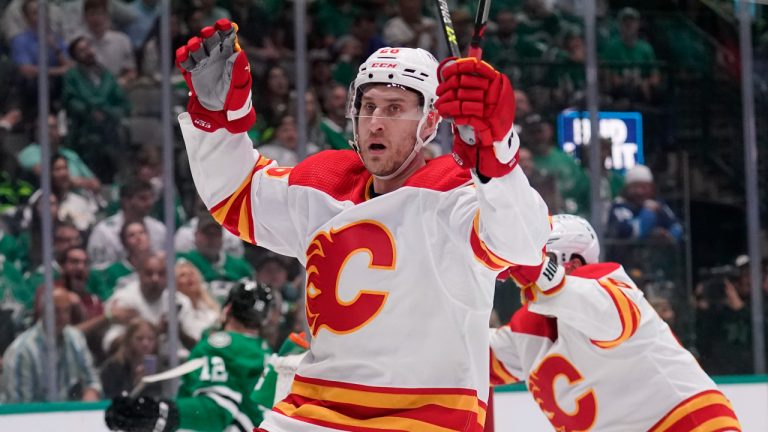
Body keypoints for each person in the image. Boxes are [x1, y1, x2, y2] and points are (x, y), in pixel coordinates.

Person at [175, 19, 549, 431]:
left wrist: (496, 157)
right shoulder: (326, 183)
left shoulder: (457, 193)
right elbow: (238, 197)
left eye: (394, 109)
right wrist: (217, 119)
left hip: (425, 420)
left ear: (429, 122)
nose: (375, 122)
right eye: (368, 107)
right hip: (313, 415)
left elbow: (522, 244)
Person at [489, 214, 741, 431]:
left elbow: (604, 315)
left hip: (685, 422)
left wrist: (544, 277)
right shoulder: (528, 326)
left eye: (542, 256)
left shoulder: (607, 285)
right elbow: (470, 357)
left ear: (574, 263)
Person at [105, 281, 275, 431]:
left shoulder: (221, 346)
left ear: (228, 308)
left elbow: (217, 410)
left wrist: (161, 413)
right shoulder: (266, 353)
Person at [1, 287, 102, 402]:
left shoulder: (76, 338)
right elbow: (20, 406)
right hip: (32, 416)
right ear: (42, 311)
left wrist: (91, 393)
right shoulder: (22, 351)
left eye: (66, 311)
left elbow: (92, 380)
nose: (62, 317)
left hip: (65, 414)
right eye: (56, 311)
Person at [177, 212, 254, 304]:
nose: (212, 239)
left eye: (216, 234)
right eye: (207, 234)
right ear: (196, 235)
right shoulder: (185, 263)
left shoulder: (241, 267)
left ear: (222, 237)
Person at [87, 179, 166, 267]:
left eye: (151, 198)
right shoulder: (103, 232)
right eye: (143, 199)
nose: (149, 203)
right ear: (126, 201)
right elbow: (98, 269)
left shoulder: (159, 229)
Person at [100, 318, 161, 399]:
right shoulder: (112, 368)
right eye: (139, 338)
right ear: (129, 340)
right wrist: (137, 384)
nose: (145, 343)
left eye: (150, 339)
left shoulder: (160, 366)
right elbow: (114, 399)